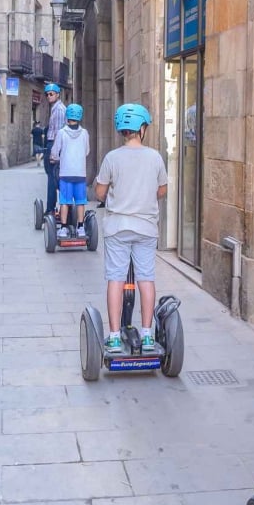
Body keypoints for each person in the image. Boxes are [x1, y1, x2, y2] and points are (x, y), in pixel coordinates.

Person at [94, 104, 168, 354]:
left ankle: (114, 337)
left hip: (118, 228)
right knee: (145, 278)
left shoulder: (112, 158)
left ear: (122, 130)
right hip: (146, 228)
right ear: (142, 128)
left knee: (116, 279)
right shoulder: (155, 157)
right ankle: (147, 336)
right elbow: (162, 190)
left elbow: (100, 192)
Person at [49, 103, 90, 235]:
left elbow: (55, 151)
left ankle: (64, 227)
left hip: (66, 173)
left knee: (65, 201)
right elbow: (87, 151)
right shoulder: (84, 133)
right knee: (80, 202)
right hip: (80, 173)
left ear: (67, 117)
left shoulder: (62, 133)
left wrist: (54, 157)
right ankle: (81, 227)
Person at [42, 83, 65, 217]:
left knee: (53, 178)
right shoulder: (55, 109)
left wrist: (54, 153)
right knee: (52, 177)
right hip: (51, 144)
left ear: (57, 94)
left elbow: (59, 133)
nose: (48, 96)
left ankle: (51, 208)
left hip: (54, 145)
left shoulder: (60, 110)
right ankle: (53, 207)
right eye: (47, 94)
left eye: (51, 94)